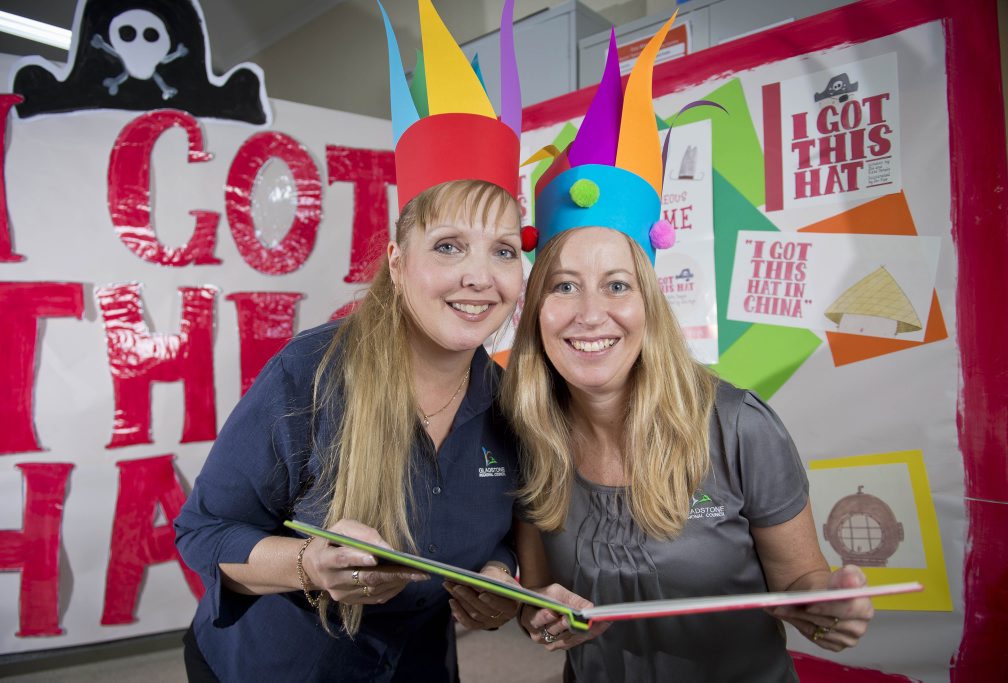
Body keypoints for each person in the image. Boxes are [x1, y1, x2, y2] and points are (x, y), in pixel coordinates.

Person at [500, 15, 874, 681]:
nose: (590, 314)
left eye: (617, 285)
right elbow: (537, 594)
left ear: (649, 303)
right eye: (564, 285)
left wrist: (824, 606)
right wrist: (540, 612)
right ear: (537, 311)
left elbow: (800, 583)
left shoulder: (738, 427)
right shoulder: (530, 432)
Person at [174, 2, 525, 680]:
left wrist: (497, 576)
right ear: (397, 261)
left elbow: (505, 534)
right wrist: (308, 563)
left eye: (503, 250)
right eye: (448, 245)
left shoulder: (512, 402)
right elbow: (205, 530)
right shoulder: (310, 372)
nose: (480, 278)